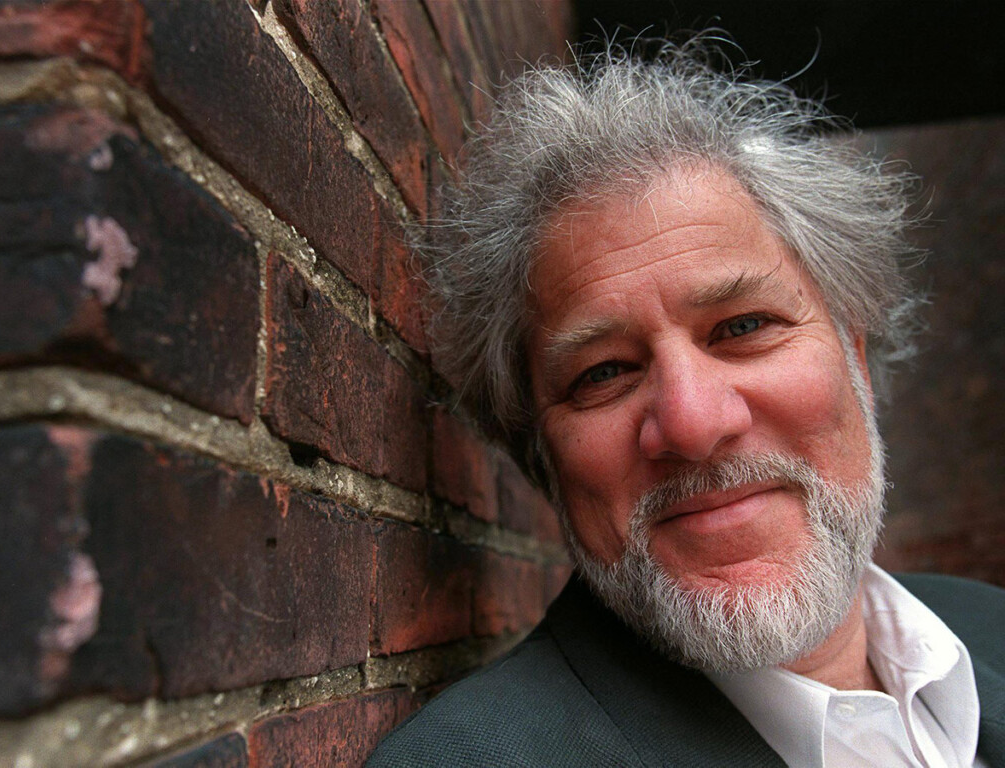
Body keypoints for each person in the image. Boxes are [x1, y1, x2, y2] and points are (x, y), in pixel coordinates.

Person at [367, 41, 1005, 767]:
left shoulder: (989, 624)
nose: (695, 424)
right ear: (541, 455)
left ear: (852, 353)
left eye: (742, 328)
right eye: (603, 372)